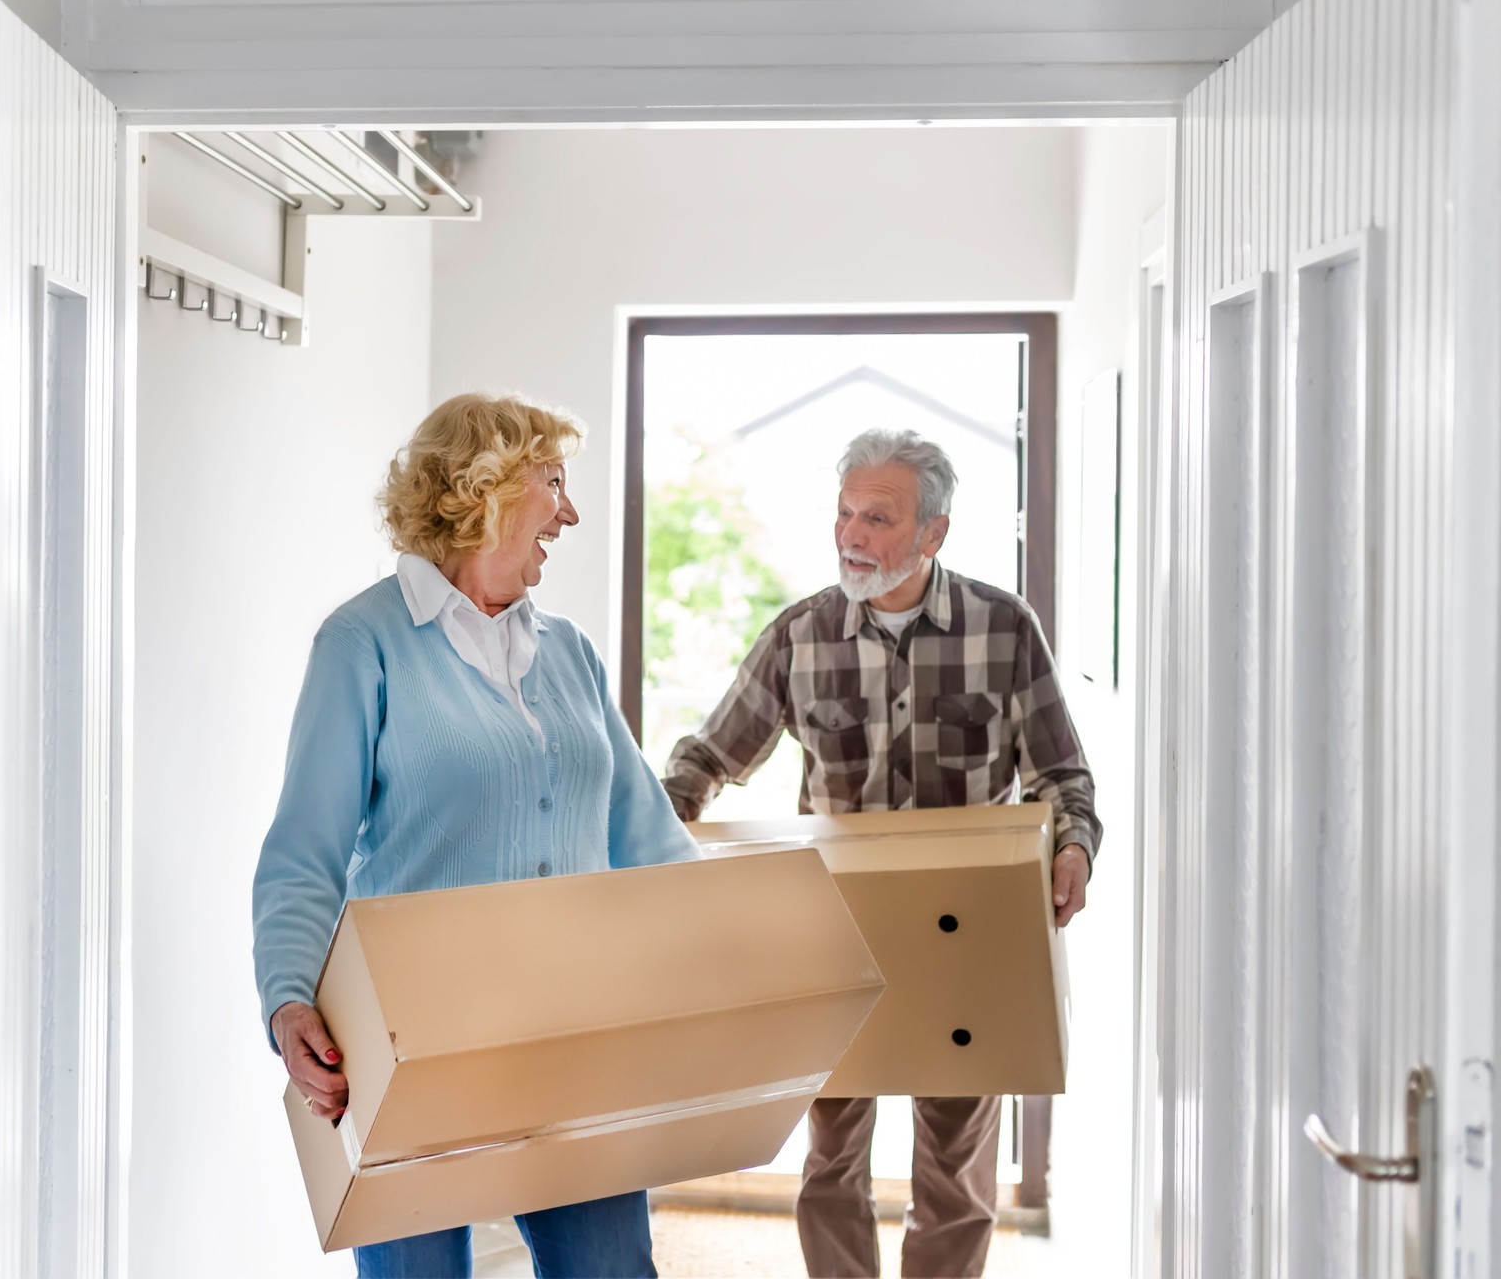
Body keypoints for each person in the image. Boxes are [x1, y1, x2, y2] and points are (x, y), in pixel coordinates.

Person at [252, 392, 697, 1279]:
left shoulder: (568, 651)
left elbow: (647, 838)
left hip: (577, 1028)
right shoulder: (363, 643)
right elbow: (307, 849)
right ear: (484, 486)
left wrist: (739, 956)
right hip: (416, 1036)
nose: (568, 513)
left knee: (611, 1270)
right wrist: (288, 999)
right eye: (554, 483)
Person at [661, 427, 1100, 1279]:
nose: (852, 537)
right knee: (830, 1168)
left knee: (956, 1178)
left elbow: (1061, 776)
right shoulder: (801, 636)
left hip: (968, 941)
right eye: (844, 515)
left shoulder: (1004, 629)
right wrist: (660, 826)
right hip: (834, 938)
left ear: (934, 532)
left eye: (878, 519)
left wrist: (1074, 843)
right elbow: (707, 757)